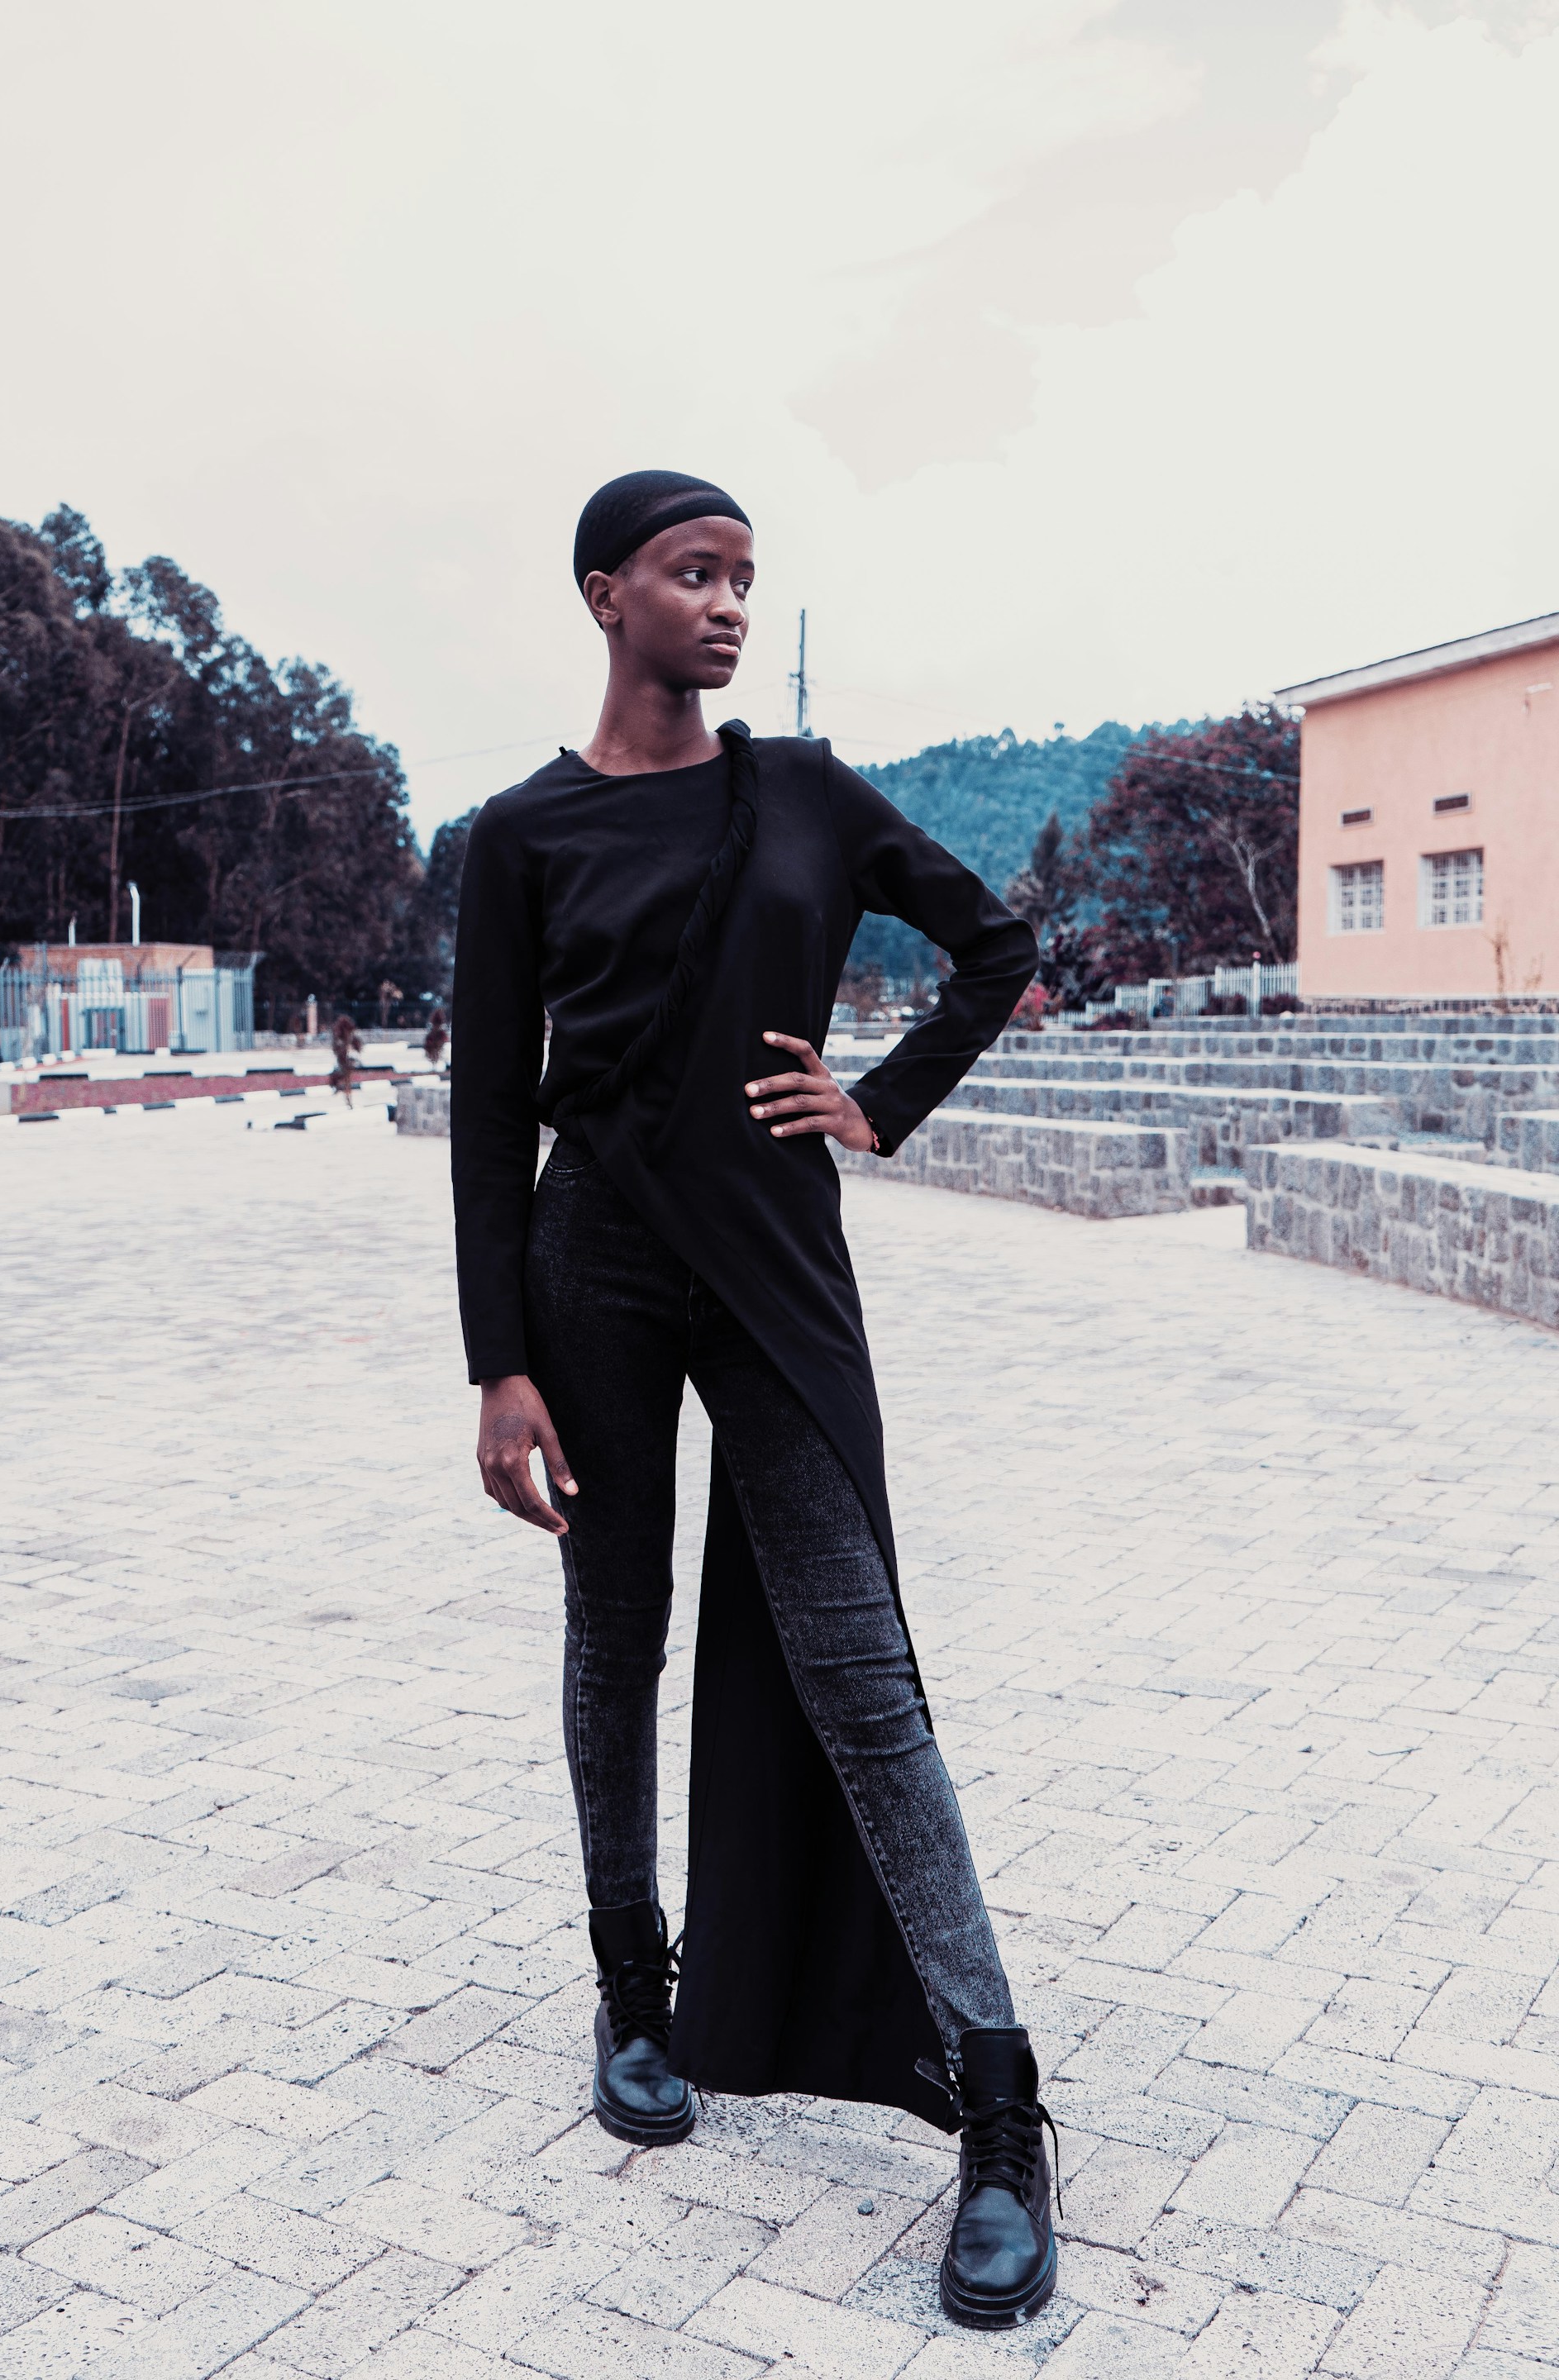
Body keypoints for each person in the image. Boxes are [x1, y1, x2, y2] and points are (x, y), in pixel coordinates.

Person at [450, 470, 1057, 2330]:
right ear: (601, 593)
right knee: (610, 1634)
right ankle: (637, 1994)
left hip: (781, 1262)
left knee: (859, 1668)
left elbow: (997, 945)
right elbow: (488, 1109)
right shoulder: (523, 834)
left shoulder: (801, 789)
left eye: (742, 579)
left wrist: (884, 1097)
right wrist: (500, 1363)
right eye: (690, 574)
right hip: (598, 1262)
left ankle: (1001, 2106)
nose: (722, 605)